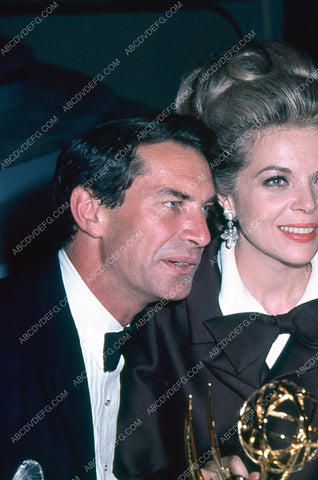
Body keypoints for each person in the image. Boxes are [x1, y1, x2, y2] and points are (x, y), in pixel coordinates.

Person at [115, 42, 318, 480]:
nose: (309, 205)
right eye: (277, 180)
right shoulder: (165, 313)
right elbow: (132, 465)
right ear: (226, 194)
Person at [1, 115, 216, 480]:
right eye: (173, 204)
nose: (202, 235)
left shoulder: (163, 349)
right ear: (91, 211)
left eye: (206, 210)